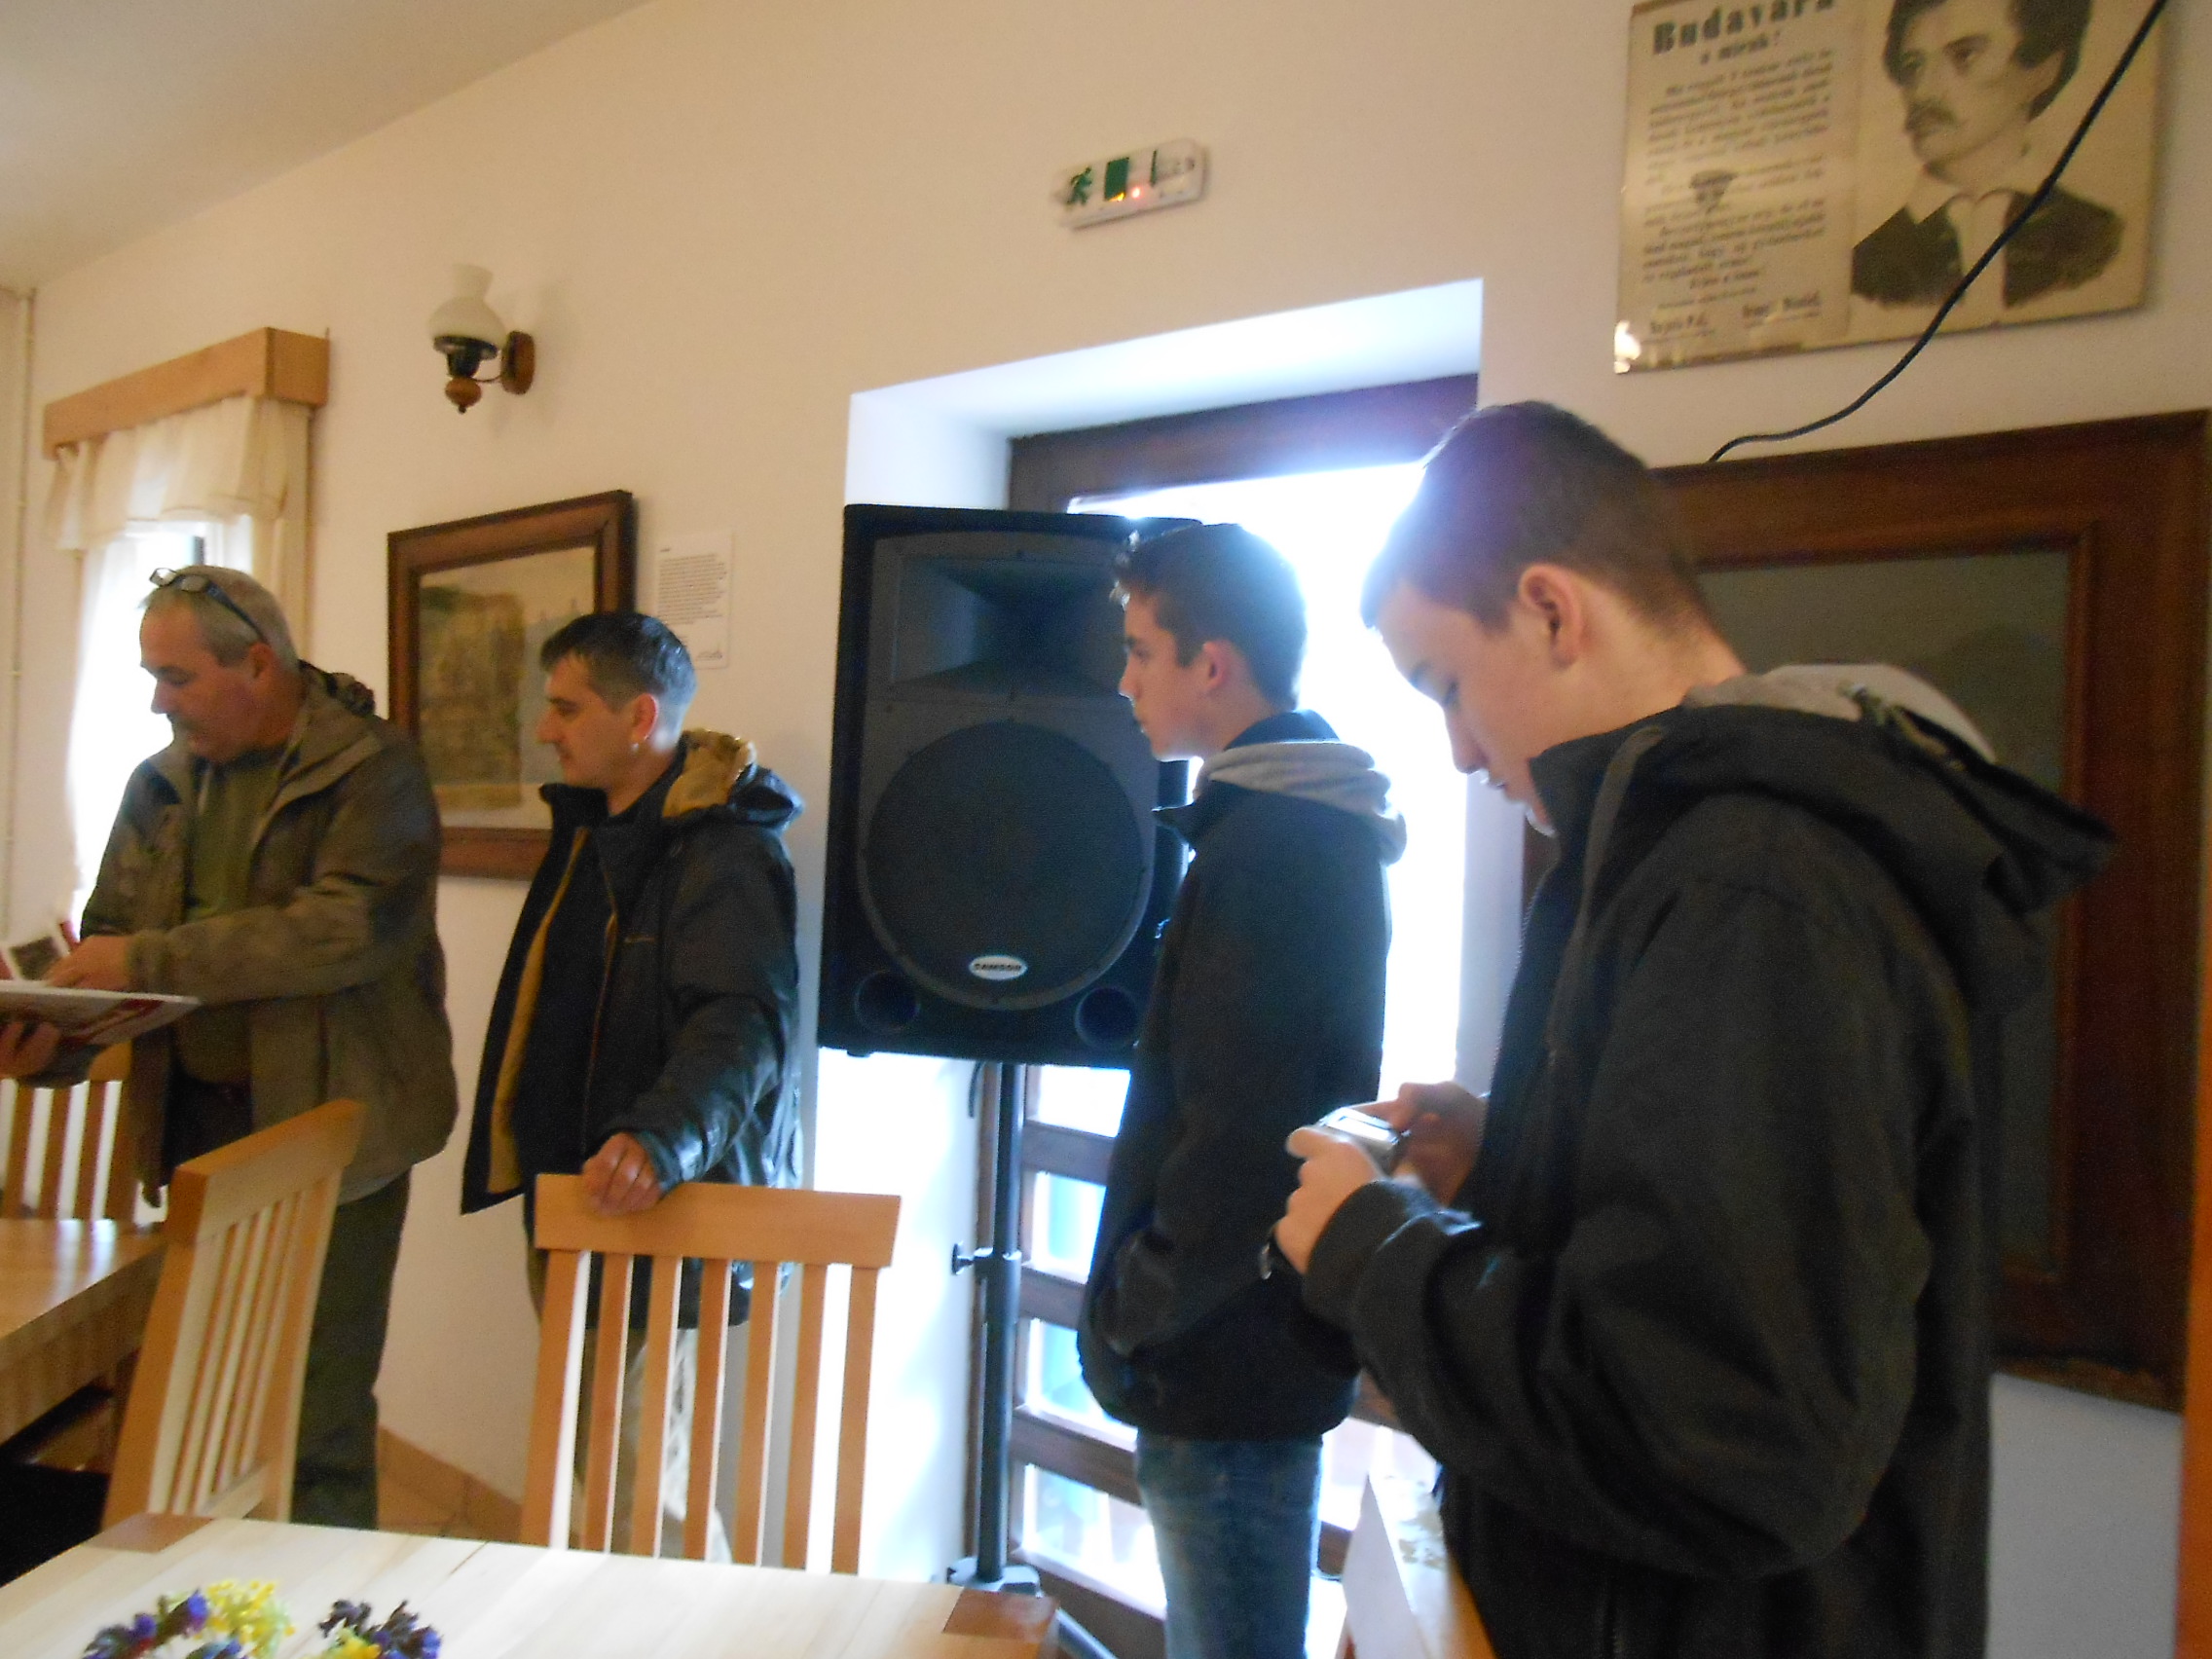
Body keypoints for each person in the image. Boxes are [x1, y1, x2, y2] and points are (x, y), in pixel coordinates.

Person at [1273, 403, 2111, 1659]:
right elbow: (1740, 1267)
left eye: (1447, 686)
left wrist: (1372, 1250)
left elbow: (1718, 1439)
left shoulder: (1751, 886)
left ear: (1550, 611)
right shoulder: (1695, 854)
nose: (1455, 752)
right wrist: (1515, 1163)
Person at [47, 564, 458, 1527]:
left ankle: (330, 1602)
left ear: (258, 666)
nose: (159, 703)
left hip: (333, 1142)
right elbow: (109, 945)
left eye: (177, 677)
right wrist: (51, 1044)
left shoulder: (375, 770)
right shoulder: (159, 784)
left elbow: (342, 932)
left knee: (316, 1418)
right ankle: (215, 1599)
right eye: (153, 676)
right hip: (196, 1131)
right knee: (201, 1409)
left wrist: (145, 956)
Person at [1077, 524, 1403, 1659]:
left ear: (1210, 664)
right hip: (1240, 1347)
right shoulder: (1278, 825)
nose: (1124, 683)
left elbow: (1242, 1138)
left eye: (1139, 651)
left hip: (1224, 1358)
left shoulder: (1275, 844)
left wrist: (1138, 1310)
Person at [460, 610, 801, 1554]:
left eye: (567, 709)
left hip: (657, 1207)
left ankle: (697, 1627)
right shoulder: (595, 830)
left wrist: (659, 1140)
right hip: (579, 1199)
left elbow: (743, 1026)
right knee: (608, 1472)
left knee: (649, 1497)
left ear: (641, 716)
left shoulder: (725, 850)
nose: (546, 730)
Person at [1853, 0, 2119, 312]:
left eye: (1965, 55)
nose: (1923, 91)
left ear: (2042, 72)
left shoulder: (2100, 238)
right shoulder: (1863, 271)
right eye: (1913, 65)